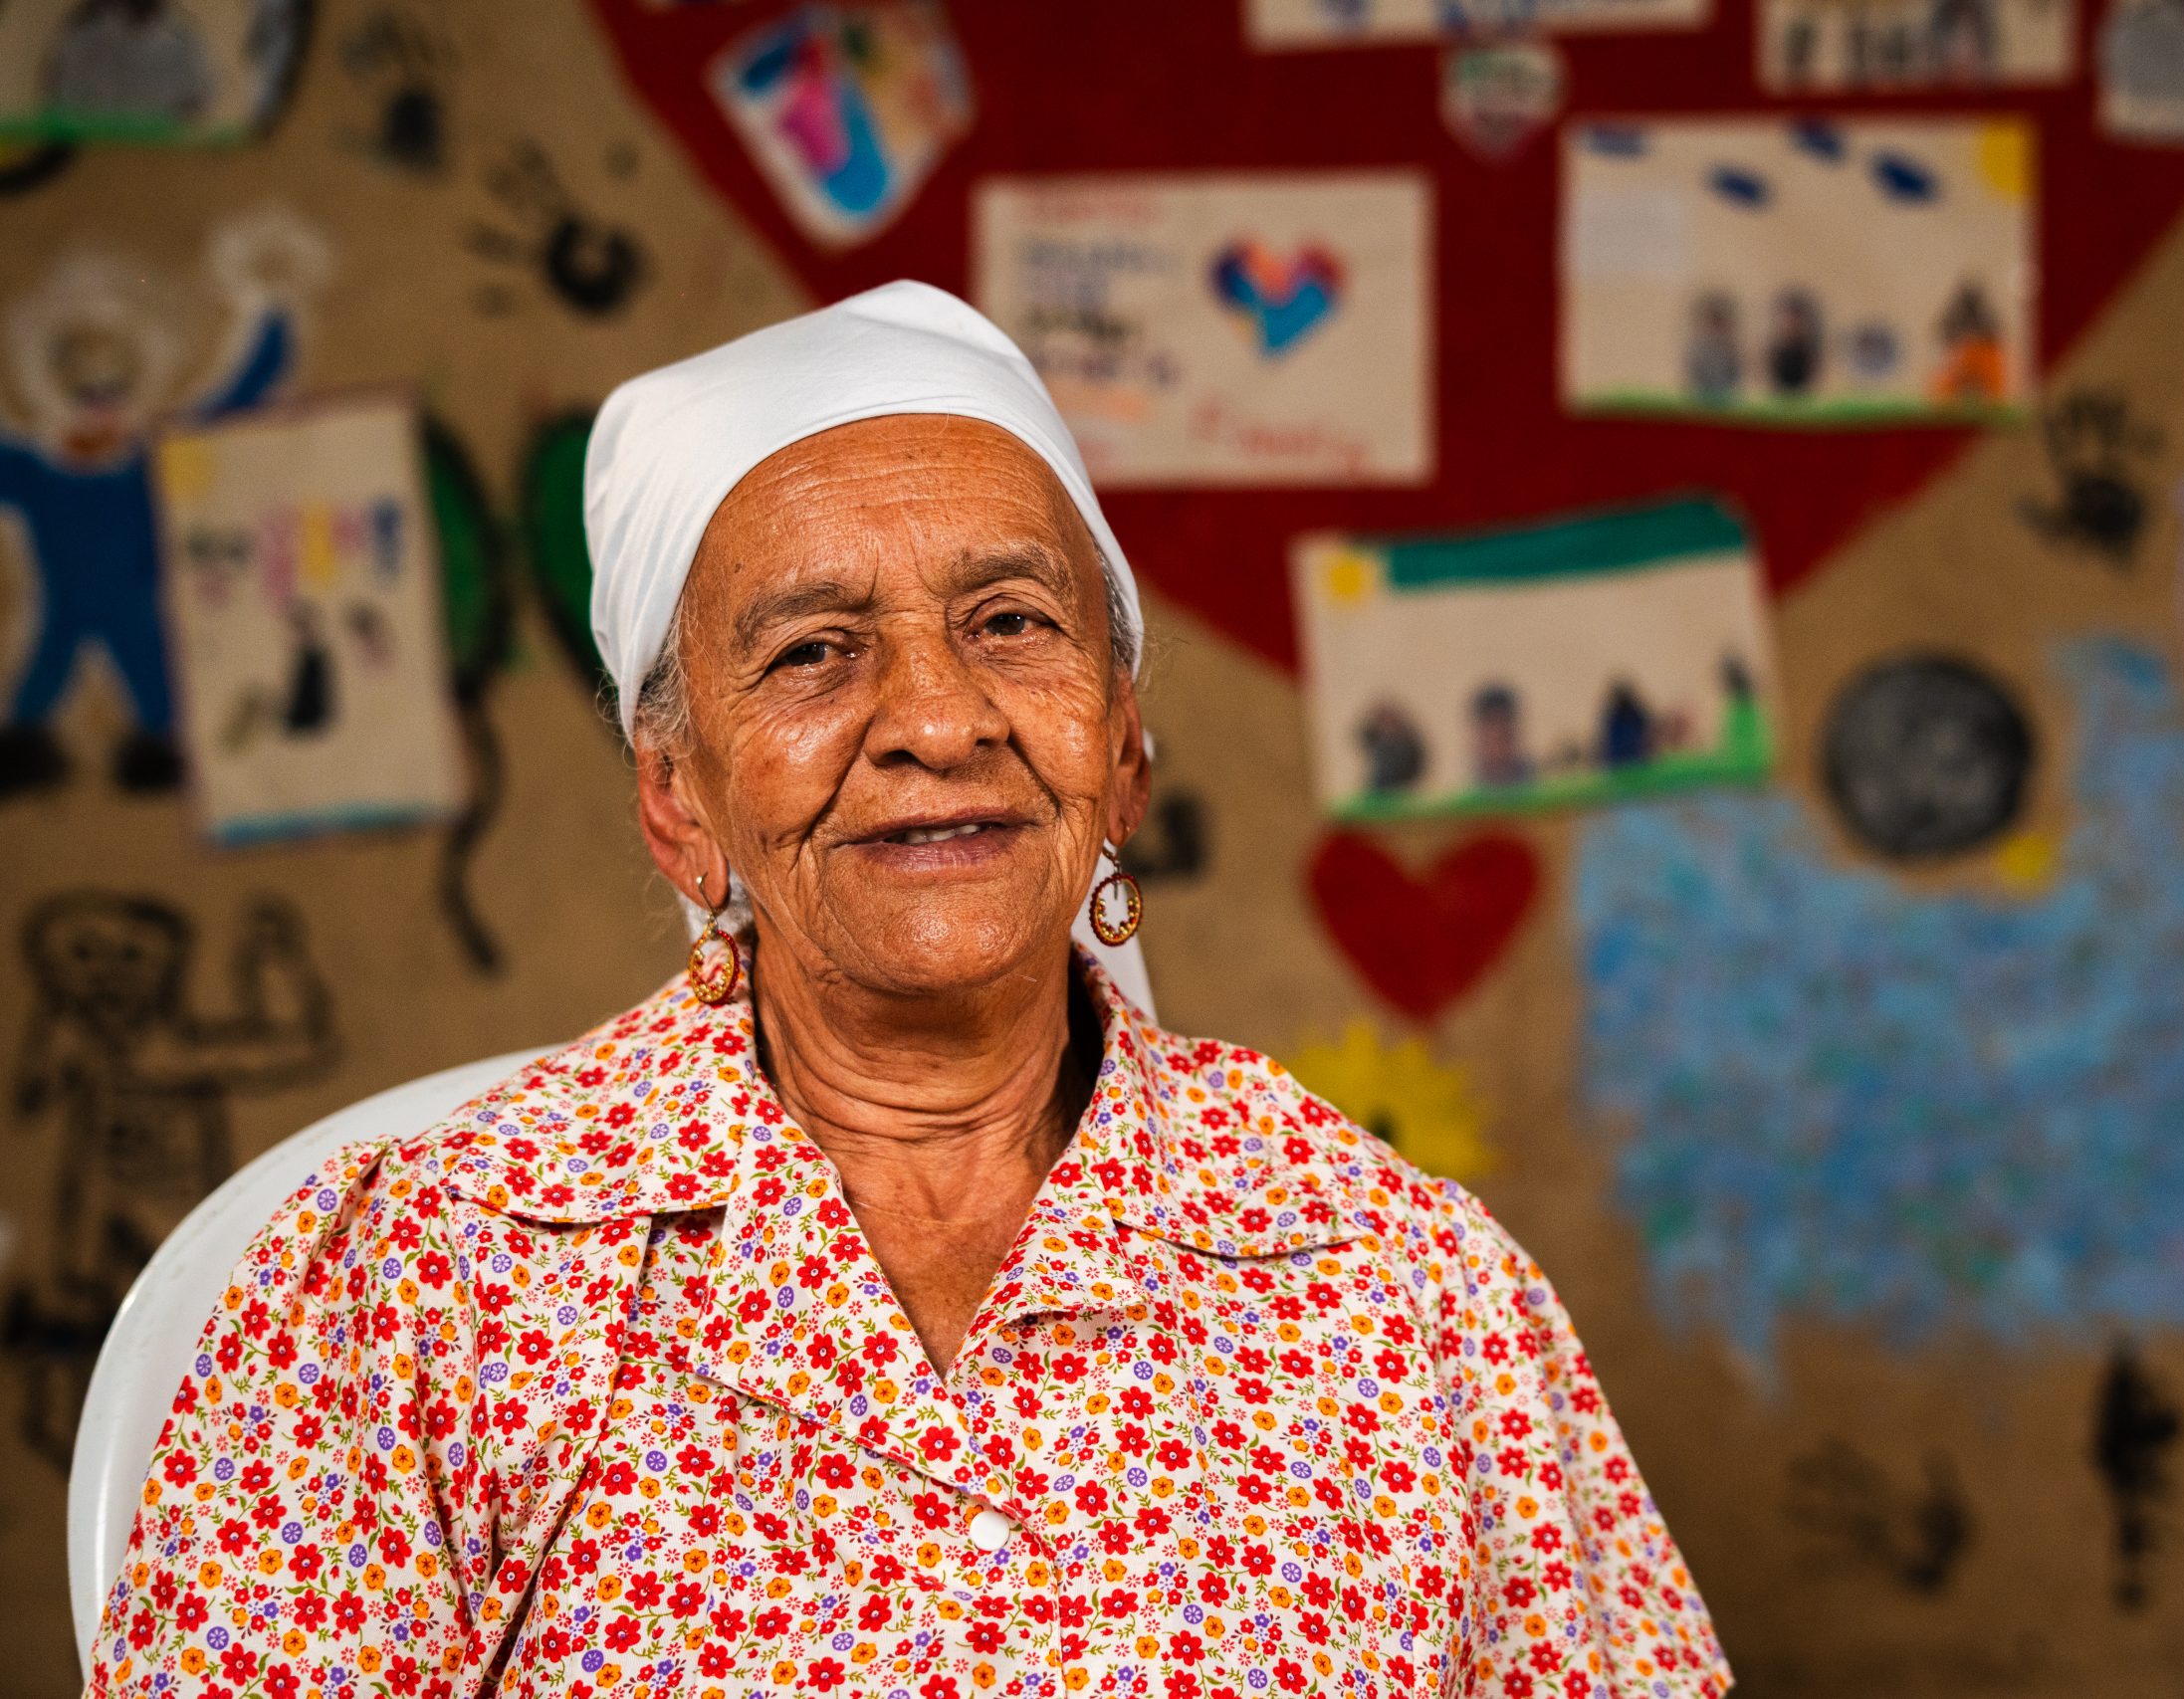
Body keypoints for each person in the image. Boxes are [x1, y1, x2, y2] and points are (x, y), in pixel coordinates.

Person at [84, 282, 1731, 1699]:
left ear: (1123, 748)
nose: (939, 718)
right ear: (676, 800)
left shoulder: (1401, 1283)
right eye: (813, 650)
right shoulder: (414, 1283)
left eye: (1010, 623)